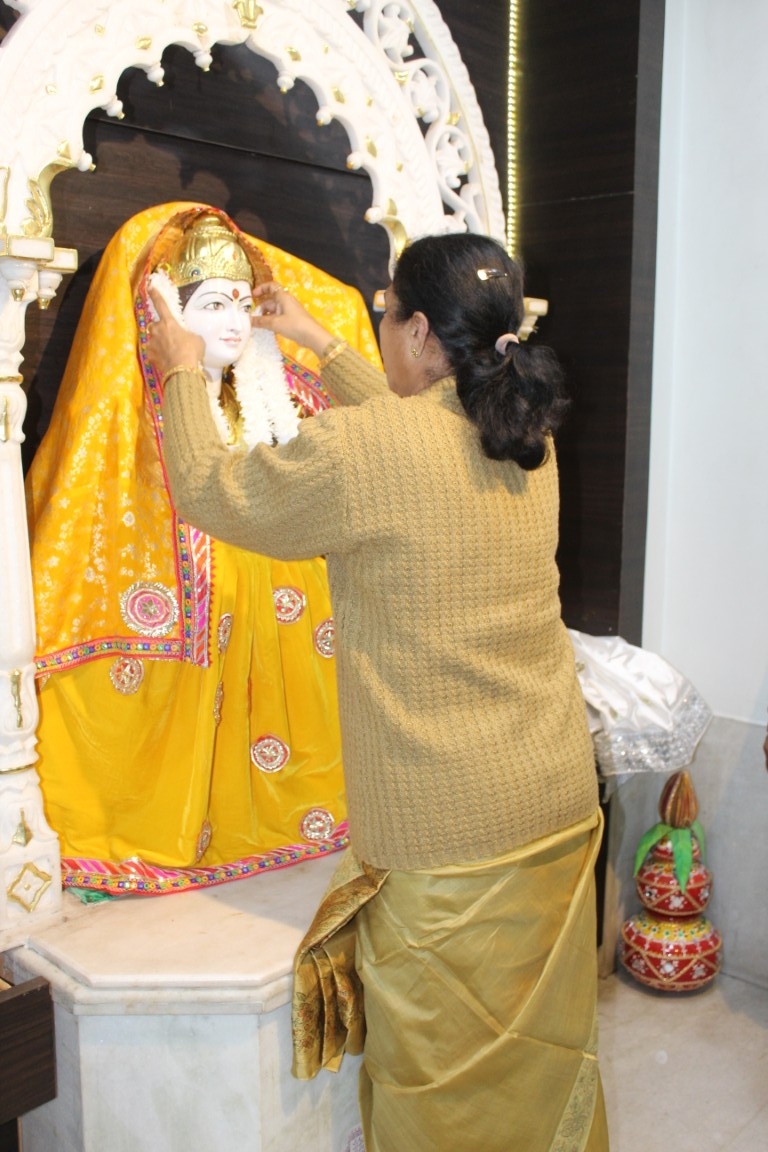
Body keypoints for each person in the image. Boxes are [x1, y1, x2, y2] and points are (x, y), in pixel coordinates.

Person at [147, 232, 609, 1150]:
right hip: (556, 810)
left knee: (444, 1091)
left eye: (388, 316)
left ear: (421, 332)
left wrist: (183, 371)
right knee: (544, 1057)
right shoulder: (527, 437)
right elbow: (418, 440)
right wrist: (322, 343)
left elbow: (208, 488)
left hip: (449, 842)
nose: (384, 331)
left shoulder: (367, 452)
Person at [26, 203, 381, 895]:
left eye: (243, 304)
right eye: (213, 303)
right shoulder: (132, 420)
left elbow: (370, 431)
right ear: (163, 315)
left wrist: (312, 331)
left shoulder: (268, 405)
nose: (234, 321)